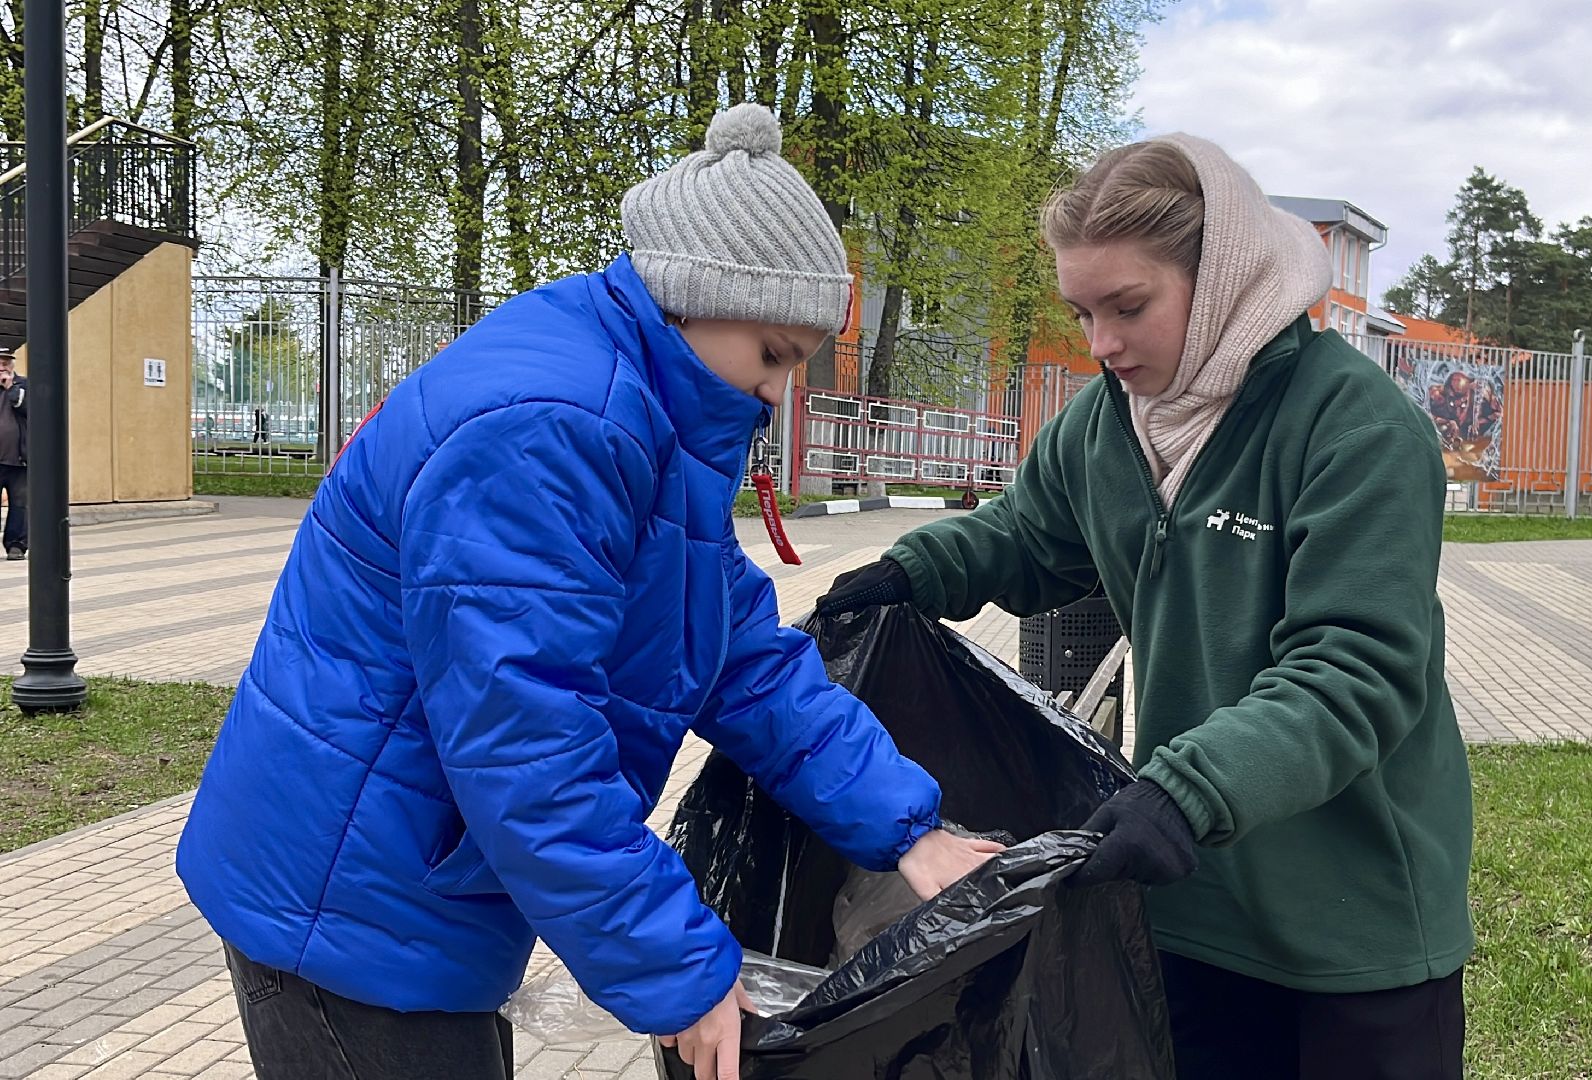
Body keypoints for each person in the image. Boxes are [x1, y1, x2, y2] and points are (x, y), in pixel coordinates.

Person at [176, 103, 1001, 1080]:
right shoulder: (554, 428)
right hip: (346, 906)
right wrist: (677, 966)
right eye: (775, 354)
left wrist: (907, 828)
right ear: (698, 294)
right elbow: (522, 743)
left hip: (405, 889)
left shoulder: (647, 414)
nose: (781, 390)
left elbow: (735, 651)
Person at [818, 134, 1473, 1079]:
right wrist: (911, 572)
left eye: (1129, 307)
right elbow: (1025, 536)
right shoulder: (1102, 424)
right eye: (1082, 312)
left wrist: (1189, 789)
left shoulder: (1353, 425)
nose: (1102, 346)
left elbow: (1354, 671)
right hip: (1183, 896)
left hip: (1349, 917)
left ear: (1218, 285)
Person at [0, 350, 27, 560]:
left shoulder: (24, 385)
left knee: (20, 504)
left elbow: (29, 409)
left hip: (20, 459)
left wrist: (10, 388)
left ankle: (16, 545)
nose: (2, 366)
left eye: (6, 362)